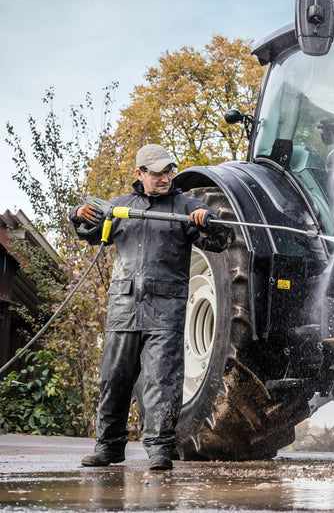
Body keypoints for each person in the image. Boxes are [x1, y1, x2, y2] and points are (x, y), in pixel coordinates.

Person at [71, 144, 234, 471]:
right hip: (124, 307)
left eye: (167, 171)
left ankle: (160, 451)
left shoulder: (186, 208)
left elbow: (222, 239)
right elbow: (87, 231)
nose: (164, 178)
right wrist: (76, 214)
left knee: (162, 380)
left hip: (165, 311)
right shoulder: (119, 208)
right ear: (140, 174)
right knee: (113, 378)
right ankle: (108, 447)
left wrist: (209, 223)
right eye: (156, 172)